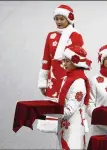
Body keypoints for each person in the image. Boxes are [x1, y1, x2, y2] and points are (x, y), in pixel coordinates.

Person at [37, 4, 84, 132]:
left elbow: (77, 60)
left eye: (61, 19)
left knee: (68, 117)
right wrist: (43, 82)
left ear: (69, 19)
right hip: (53, 78)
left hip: (68, 78)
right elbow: (46, 58)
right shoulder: (50, 35)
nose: (58, 22)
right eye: (56, 19)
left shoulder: (75, 35)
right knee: (53, 116)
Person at [51, 45, 92, 149]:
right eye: (64, 60)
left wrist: (46, 111)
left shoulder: (79, 82)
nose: (64, 64)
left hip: (74, 126)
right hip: (65, 125)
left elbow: (69, 109)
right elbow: (63, 100)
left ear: (76, 62)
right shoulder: (67, 78)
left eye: (67, 61)